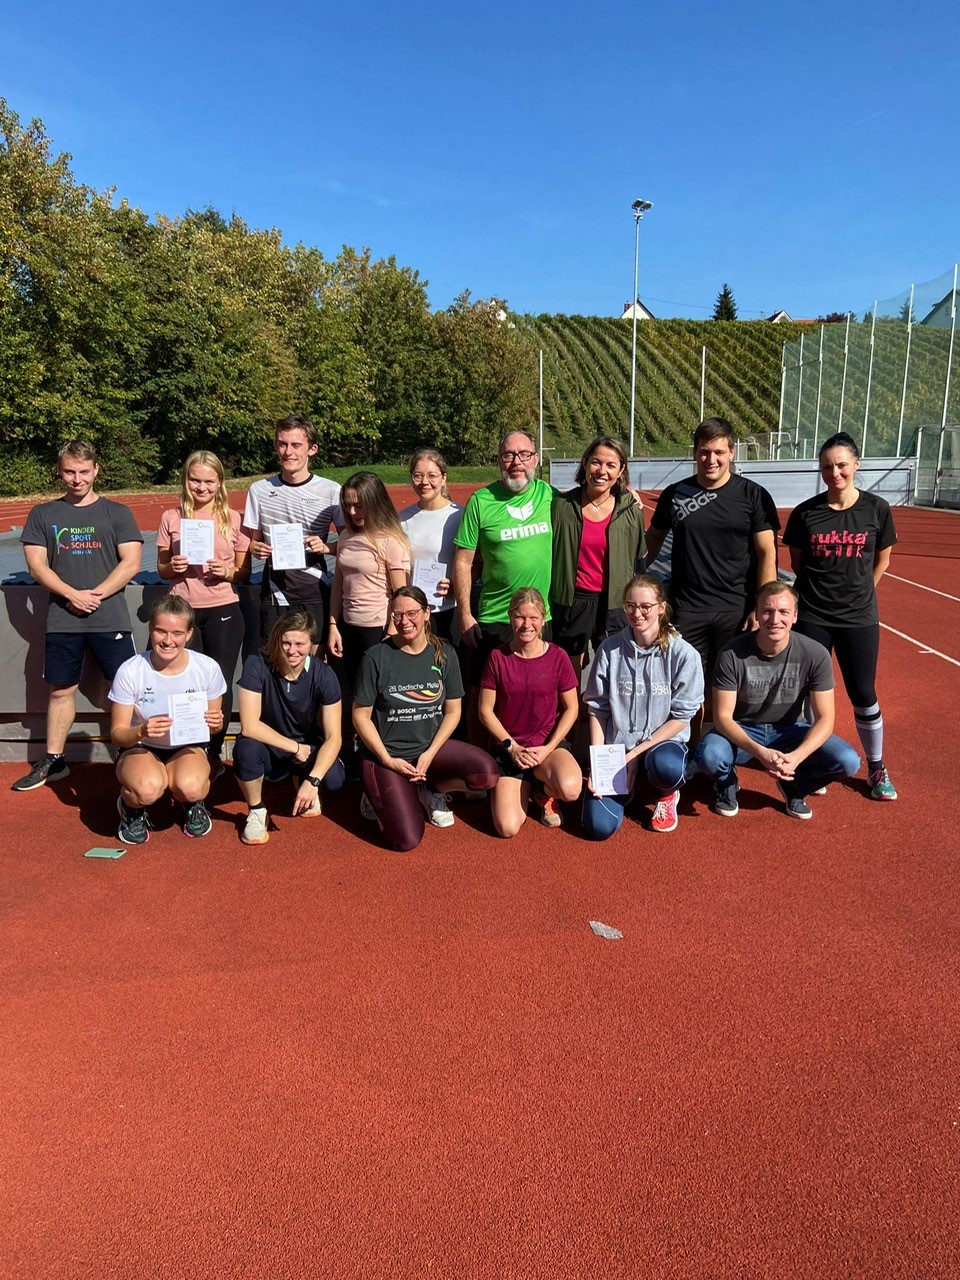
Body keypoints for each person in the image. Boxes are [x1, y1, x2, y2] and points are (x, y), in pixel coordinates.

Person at [14, 440, 143, 792]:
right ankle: (54, 759)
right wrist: (72, 595)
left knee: (125, 687)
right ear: (60, 471)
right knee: (61, 689)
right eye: (70, 471)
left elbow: (131, 563)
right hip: (63, 617)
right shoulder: (43, 514)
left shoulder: (117, 512)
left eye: (84, 471)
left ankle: (132, 750)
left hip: (110, 616)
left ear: (96, 470)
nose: (77, 479)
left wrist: (93, 595)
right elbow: (37, 566)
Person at [783, 432, 898, 800]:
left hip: (858, 618)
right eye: (827, 467)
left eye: (842, 465)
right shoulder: (805, 513)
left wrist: (861, 592)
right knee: (808, 691)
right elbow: (798, 564)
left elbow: (882, 560)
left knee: (863, 692)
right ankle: (811, 759)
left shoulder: (876, 509)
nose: (835, 473)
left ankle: (876, 766)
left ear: (856, 465)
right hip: (813, 615)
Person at [694, 581, 860, 820]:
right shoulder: (732, 654)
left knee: (847, 761)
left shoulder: (815, 654)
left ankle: (795, 786)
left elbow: (825, 718)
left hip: (789, 730)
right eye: (767, 611)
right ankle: (726, 781)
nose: (775, 619)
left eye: (783, 612)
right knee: (709, 756)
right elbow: (722, 718)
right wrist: (761, 753)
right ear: (756, 614)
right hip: (743, 729)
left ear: (795, 616)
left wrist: (796, 758)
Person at [352, 586, 499, 852]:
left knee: (486, 775)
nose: (404, 621)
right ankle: (378, 794)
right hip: (387, 756)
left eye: (412, 613)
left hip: (430, 751)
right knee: (406, 840)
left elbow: (453, 711)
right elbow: (360, 716)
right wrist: (387, 760)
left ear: (427, 613)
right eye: (397, 615)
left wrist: (430, 754)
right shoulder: (376, 657)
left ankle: (430, 790)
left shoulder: (444, 653)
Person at [644, 417, 779, 703]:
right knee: (686, 688)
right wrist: (637, 571)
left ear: (731, 452)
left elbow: (767, 552)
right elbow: (654, 537)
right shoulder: (676, 494)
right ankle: (692, 733)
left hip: (736, 608)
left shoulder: (754, 495)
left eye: (719, 452)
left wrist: (762, 605)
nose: (711, 460)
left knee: (733, 685)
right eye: (704, 452)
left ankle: (726, 732)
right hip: (688, 607)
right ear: (695, 452)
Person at [582, 574, 703, 838]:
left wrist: (635, 754)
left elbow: (682, 717)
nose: (637, 614)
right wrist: (599, 762)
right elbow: (598, 709)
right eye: (630, 606)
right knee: (598, 827)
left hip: (660, 745)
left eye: (645, 606)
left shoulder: (683, 654)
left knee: (667, 767)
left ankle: (666, 793)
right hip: (618, 748)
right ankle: (627, 788)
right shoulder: (609, 649)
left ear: (661, 607)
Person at [156, 450, 251, 768]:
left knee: (218, 682)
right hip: (182, 611)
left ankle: (213, 749)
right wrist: (172, 566)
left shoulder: (233, 519)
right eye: (195, 480)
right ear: (186, 480)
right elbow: (162, 568)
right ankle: (188, 746)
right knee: (184, 680)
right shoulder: (171, 517)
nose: (201, 487)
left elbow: (243, 572)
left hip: (223, 607)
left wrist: (227, 572)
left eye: (209, 481)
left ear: (220, 482)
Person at [109, 595, 226, 844]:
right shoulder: (131, 670)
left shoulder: (208, 668)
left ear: (189, 634)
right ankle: (131, 808)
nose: (168, 640)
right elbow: (117, 734)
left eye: (177, 633)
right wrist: (141, 731)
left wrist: (216, 724)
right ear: (150, 629)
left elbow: (213, 728)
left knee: (192, 787)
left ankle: (192, 803)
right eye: (161, 631)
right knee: (147, 788)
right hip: (140, 747)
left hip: (187, 746)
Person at [453, 430, 555, 686]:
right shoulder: (480, 501)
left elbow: (591, 502)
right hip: (495, 618)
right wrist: (464, 614)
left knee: (537, 691)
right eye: (508, 455)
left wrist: (623, 495)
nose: (516, 462)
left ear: (536, 459)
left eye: (524, 454)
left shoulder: (549, 495)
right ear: (499, 460)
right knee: (487, 694)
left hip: (540, 618)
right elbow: (463, 561)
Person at [234, 611, 344, 845]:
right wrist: (295, 748)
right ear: (276, 639)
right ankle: (256, 810)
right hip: (269, 744)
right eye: (286, 643)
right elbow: (249, 726)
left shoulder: (324, 675)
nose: (292, 650)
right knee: (245, 751)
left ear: (311, 644)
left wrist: (313, 781)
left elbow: (334, 737)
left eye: (299, 644)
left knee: (334, 779)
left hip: (306, 745)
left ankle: (301, 778)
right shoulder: (257, 663)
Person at [478, 587, 582, 835]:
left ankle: (542, 791)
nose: (527, 624)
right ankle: (526, 785)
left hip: (547, 749)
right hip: (511, 750)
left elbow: (572, 708)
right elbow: (484, 710)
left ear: (543, 619)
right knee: (507, 828)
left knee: (571, 789)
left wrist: (549, 747)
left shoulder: (558, 656)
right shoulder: (497, 657)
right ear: (510, 617)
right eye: (520, 617)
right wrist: (511, 747)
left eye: (533, 617)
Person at [327, 472, 411, 763]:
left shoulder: (391, 541)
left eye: (359, 505)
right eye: (348, 505)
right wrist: (333, 624)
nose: (352, 512)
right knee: (355, 698)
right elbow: (338, 584)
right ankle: (361, 758)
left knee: (379, 700)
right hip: (349, 629)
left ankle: (382, 759)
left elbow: (400, 594)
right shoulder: (346, 537)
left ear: (375, 503)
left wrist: (391, 634)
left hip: (377, 631)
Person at [242, 414, 341, 644]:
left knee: (315, 657)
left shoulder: (330, 490)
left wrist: (326, 547)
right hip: (274, 592)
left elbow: (349, 542)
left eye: (296, 445)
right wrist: (256, 548)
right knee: (275, 656)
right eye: (282, 444)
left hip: (314, 590)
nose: (288, 452)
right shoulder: (259, 490)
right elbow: (253, 542)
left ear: (312, 449)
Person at [550, 435, 646, 670]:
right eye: (596, 462)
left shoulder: (630, 510)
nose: (602, 471)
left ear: (621, 470)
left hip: (614, 603)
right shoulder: (560, 506)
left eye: (611, 465)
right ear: (585, 463)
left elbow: (639, 561)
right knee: (571, 669)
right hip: (573, 601)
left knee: (615, 669)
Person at [398, 448, 463, 642]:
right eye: (418, 476)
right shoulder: (402, 518)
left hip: (447, 609)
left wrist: (455, 586)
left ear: (444, 478)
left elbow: (475, 562)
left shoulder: (459, 516)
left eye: (432, 475)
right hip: (413, 613)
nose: (424, 482)